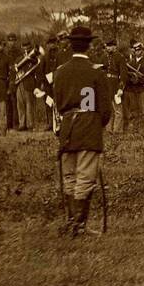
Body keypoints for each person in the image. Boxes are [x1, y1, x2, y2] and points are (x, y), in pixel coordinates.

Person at [53, 25, 112, 237]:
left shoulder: (60, 72)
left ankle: (72, 222)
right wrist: (95, 124)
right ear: (89, 45)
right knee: (86, 177)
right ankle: (78, 226)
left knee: (69, 177)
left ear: (70, 45)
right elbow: (105, 110)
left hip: (67, 129)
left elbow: (59, 105)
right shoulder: (95, 73)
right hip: (88, 127)